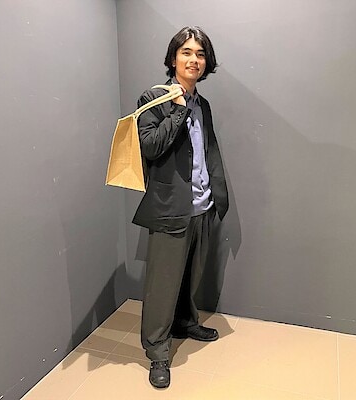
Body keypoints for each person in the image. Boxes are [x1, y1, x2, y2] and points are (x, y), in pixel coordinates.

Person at [133, 26, 229, 389]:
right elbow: (150, 147)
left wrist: (215, 193)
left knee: (191, 273)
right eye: (186, 52)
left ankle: (184, 322)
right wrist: (177, 108)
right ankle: (157, 351)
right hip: (170, 207)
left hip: (201, 204)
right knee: (162, 283)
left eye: (200, 54)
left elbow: (206, 151)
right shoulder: (154, 98)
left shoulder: (203, 104)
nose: (194, 60)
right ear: (173, 59)